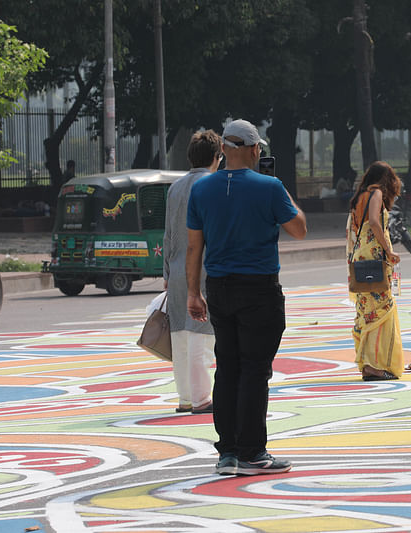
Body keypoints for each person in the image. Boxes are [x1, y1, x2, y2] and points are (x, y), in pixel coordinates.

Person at [186, 119, 307, 476]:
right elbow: (299, 229)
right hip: (258, 288)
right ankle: (253, 451)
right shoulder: (270, 187)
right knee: (255, 370)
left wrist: (193, 292)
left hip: (219, 287)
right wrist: (283, 193)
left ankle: (228, 452)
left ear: (223, 148)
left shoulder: (202, 190)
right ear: (255, 150)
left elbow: (195, 246)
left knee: (228, 367)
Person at [163, 130, 221, 415]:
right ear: (216, 157)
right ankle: (201, 399)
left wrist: (166, 273)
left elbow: (168, 235)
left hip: (175, 272)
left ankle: (185, 398)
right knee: (201, 335)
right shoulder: (214, 184)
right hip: (205, 270)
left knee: (181, 338)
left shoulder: (175, 188)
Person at [347, 161, 404, 381]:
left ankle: (367, 362)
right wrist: (388, 250)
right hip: (374, 255)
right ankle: (375, 365)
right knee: (382, 309)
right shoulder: (377, 193)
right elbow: (374, 222)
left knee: (366, 310)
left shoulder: (359, 196)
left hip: (360, 254)